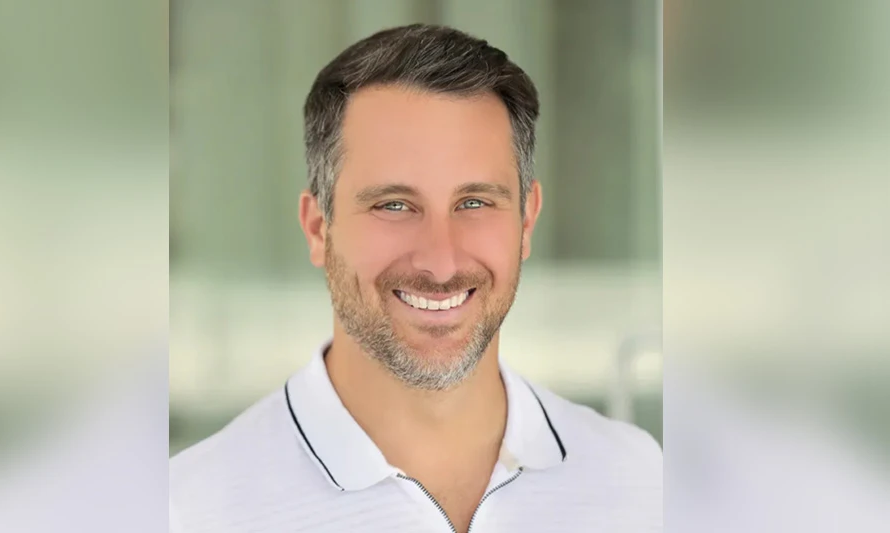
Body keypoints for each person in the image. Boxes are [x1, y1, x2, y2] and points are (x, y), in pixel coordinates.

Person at [170, 23, 662, 533]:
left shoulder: (639, 485)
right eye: (394, 205)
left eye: (474, 203)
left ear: (527, 220)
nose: (441, 262)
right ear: (319, 229)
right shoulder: (189, 510)